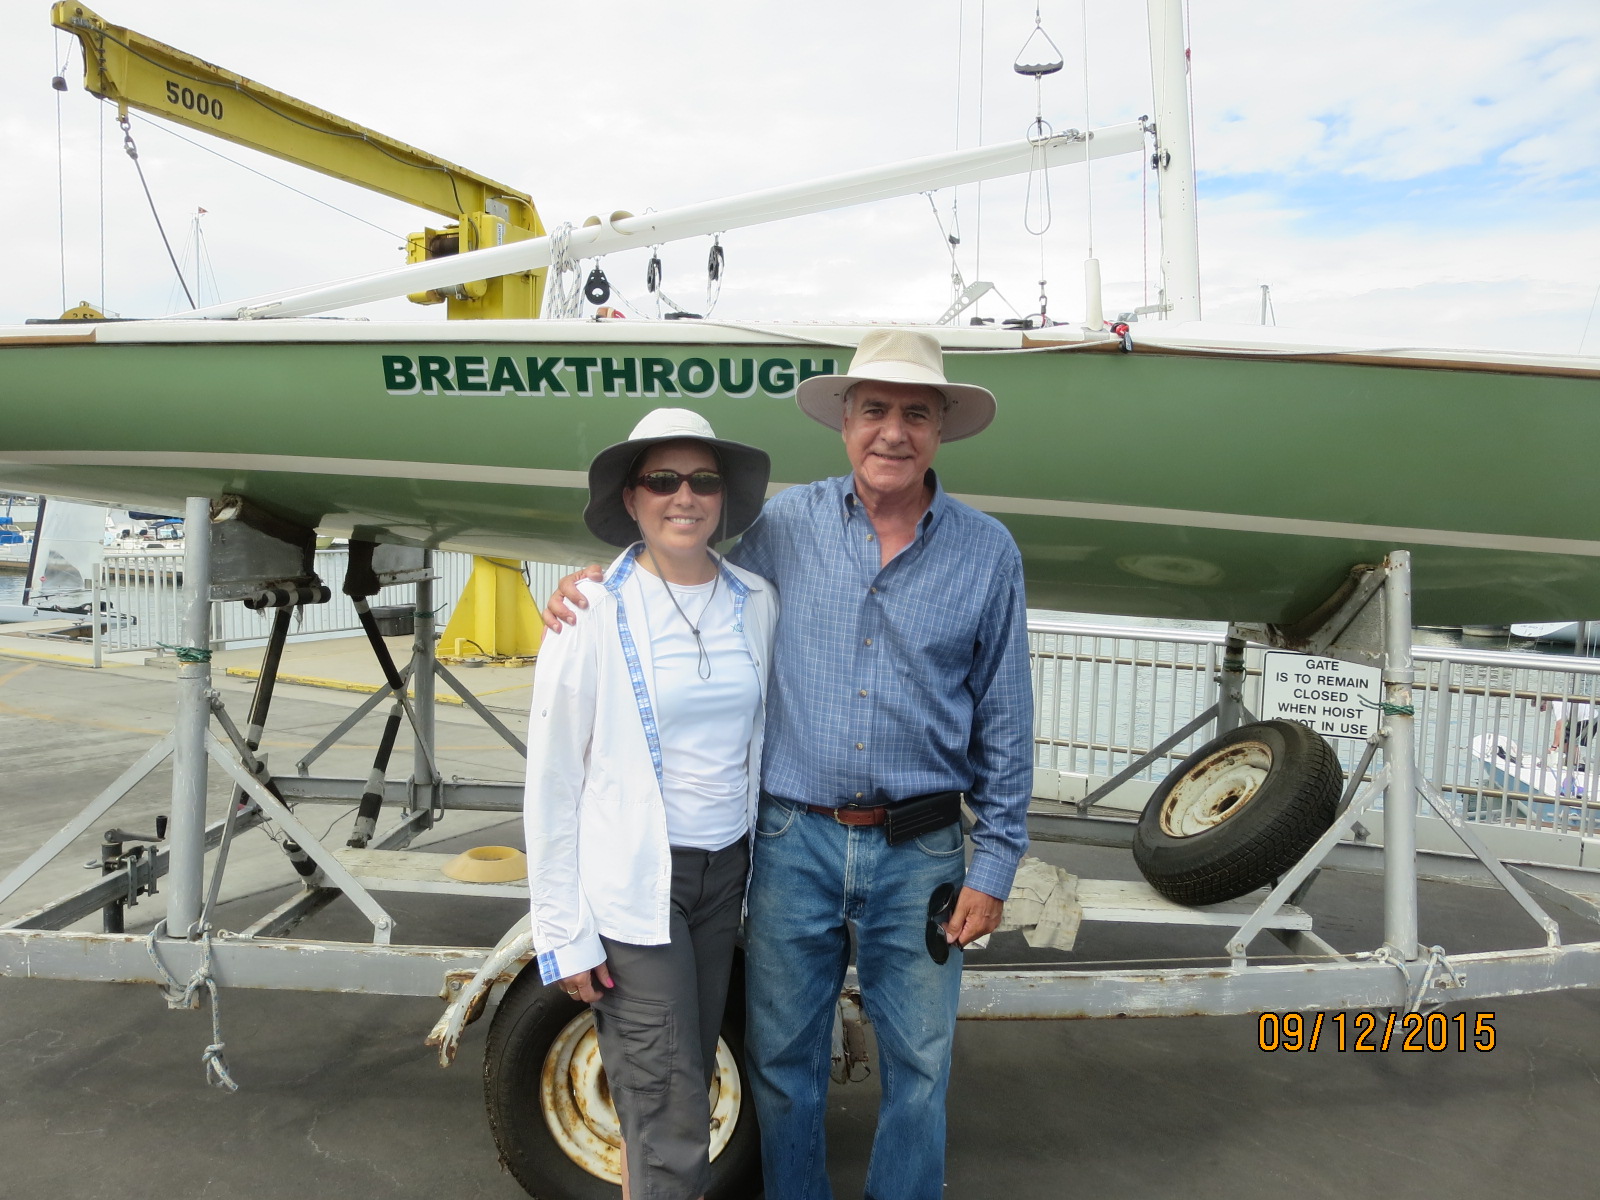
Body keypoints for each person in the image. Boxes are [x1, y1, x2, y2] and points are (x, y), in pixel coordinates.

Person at [546, 329, 1034, 1200]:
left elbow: (1006, 720)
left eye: (915, 413)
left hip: (922, 852)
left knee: (921, 1069)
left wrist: (993, 864)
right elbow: (682, 576)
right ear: (845, 422)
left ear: (941, 429)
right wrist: (594, 583)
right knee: (781, 1064)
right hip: (790, 844)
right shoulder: (783, 529)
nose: (893, 431)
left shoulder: (988, 552)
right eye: (875, 410)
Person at [522, 407, 778, 1200]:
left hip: (723, 874)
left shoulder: (756, 600)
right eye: (662, 480)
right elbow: (554, 778)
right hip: (638, 885)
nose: (684, 496)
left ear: (723, 498)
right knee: (669, 1102)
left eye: (702, 480)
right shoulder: (592, 610)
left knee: (675, 1080)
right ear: (631, 500)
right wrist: (563, 933)